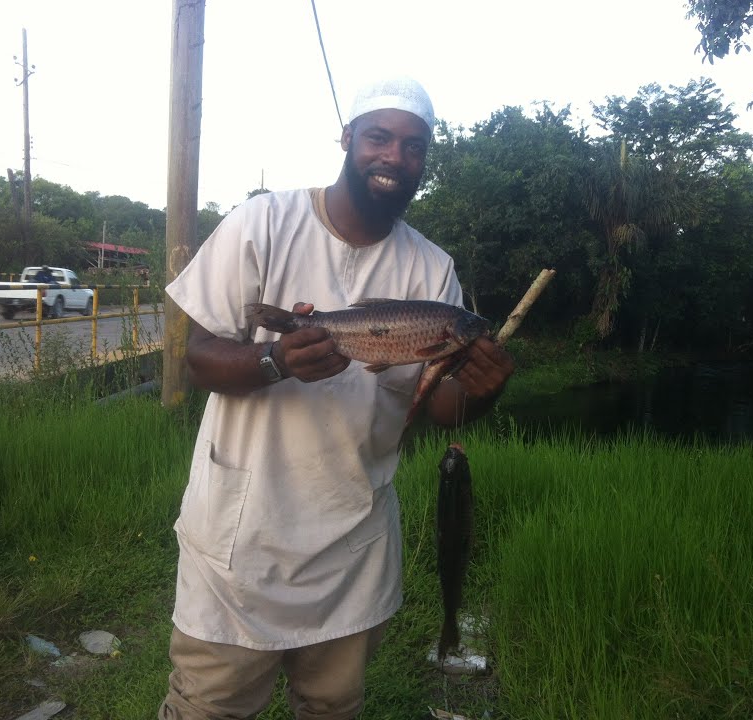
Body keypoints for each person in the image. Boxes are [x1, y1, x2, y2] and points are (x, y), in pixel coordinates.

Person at [158, 75, 515, 720]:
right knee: (207, 707)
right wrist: (272, 359)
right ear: (348, 139)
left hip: (353, 538)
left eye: (413, 146)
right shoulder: (264, 221)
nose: (394, 157)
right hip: (241, 538)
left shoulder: (434, 269)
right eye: (379, 138)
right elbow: (198, 358)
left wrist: (481, 394)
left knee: (331, 707)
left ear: (424, 160)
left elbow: (438, 407)